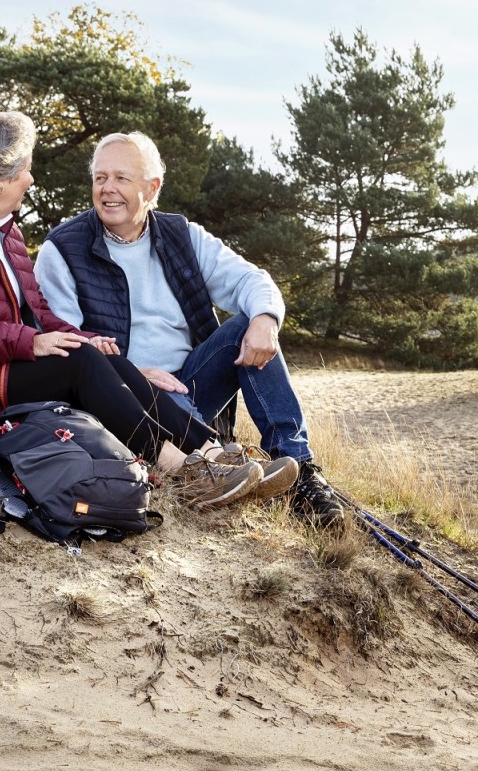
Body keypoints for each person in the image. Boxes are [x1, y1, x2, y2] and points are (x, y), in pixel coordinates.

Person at [0, 111, 262, 508]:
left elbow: (39, 312)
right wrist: (29, 342)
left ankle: (214, 454)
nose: (31, 180)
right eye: (26, 169)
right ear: (0, 177)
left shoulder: (5, 235)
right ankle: (183, 470)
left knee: (98, 355)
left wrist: (86, 339)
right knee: (79, 364)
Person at [34, 130, 345, 527]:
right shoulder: (62, 249)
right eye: (100, 178)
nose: (107, 189)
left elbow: (251, 280)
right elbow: (65, 341)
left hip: (191, 382)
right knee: (166, 406)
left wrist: (266, 320)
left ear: (152, 187)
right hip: (123, 393)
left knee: (249, 322)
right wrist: (129, 371)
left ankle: (299, 475)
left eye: (121, 178)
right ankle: (211, 468)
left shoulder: (183, 236)